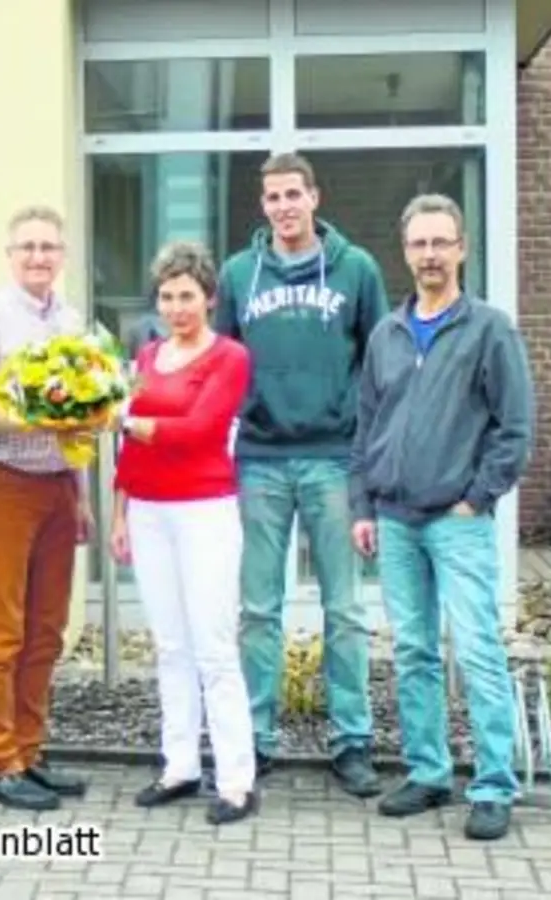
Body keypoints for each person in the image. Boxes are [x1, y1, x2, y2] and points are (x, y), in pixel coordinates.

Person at [349, 193, 534, 842]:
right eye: (419, 244)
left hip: (457, 520)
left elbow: (514, 429)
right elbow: (366, 425)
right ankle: (429, 773)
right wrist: (363, 503)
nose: (430, 255)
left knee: (479, 650)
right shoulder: (386, 334)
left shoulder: (489, 329)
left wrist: (476, 498)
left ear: (461, 248)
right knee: (415, 653)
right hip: (395, 520)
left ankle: (492, 785)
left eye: (440, 242)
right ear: (406, 253)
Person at [213, 151, 389, 797]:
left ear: (314, 196)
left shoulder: (357, 268)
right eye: (273, 197)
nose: (284, 206)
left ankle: (352, 742)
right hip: (259, 459)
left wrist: (369, 456)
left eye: (294, 194)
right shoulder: (238, 274)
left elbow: (379, 367)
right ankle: (255, 741)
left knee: (344, 609)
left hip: (334, 458)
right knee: (259, 609)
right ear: (263, 205)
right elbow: (222, 363)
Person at [0, 205, 96, 812]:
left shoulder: (73, 322)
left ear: (62, 255)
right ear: (10, 256)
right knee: (2, 628)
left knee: (46, 631)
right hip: (2, 480)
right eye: (28, 247)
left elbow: (84, 416)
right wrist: (29, 414)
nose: (39, 257)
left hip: (57, 485)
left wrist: (81, 494)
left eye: (49, 247)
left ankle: (31, 752)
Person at [108, 241, 258, 825]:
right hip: (147, 512)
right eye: (167, 296)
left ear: (210, 298)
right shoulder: (146, 356)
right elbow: (130, 450)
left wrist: (125, 417)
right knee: (170, 647)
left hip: (203, 511)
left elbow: (199, 430)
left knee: (214, 647)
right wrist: (120, 513)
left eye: (187, 296)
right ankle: (179, 766)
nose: (176, 307)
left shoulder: (230, 357)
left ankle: (237, 781)